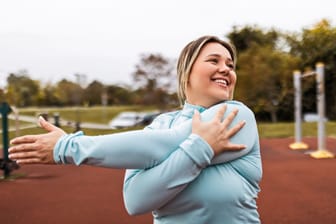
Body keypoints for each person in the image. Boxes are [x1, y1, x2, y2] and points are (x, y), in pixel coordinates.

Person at [8, 35, 261, 223]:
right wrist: (200, 148)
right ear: (186, 73)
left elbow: (166, 144)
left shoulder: (238, 116)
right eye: (214, 60)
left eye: (230, 64)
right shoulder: (160, 125)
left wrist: (68, 147)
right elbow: (136, 200)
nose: (226, 69)